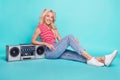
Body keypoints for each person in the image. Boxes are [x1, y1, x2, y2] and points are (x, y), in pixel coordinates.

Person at [32, 9, 118, 67]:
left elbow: (61, 41)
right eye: (48, 16)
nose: (49, 18)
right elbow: (33, 41)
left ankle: (104, 59)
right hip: (49, 52)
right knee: (69, 36)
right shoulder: (40, 27)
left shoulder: (54, 28)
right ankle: (92, 59)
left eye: (51, 17)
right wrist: (45, 43)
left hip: (57, 49)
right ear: (44, 16)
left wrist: (73, 42)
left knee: (77, 55)